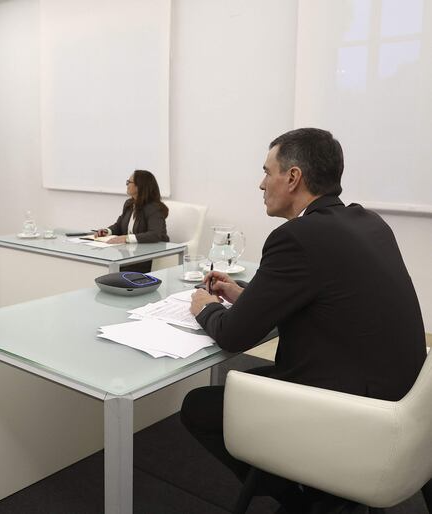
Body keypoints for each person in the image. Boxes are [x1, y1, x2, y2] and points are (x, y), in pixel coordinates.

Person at [183, 128, 427, 513]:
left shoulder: (298, 237)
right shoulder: (367, 223)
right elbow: (326, 301)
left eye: (267, 172)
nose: (261, 184)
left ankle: (305, 497)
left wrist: (203, 307)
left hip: (352, 415)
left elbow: (233, 335)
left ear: (293, 177)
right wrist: (244, 295)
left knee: (198, 406)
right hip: (406, 403)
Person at [94, 169, 169, 273]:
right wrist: (107, 231)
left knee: (109, 271)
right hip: (130, 254)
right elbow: (119, 225)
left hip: (147, 257)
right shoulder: (129, 204)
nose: (127, 185)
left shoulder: (154, 208)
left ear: (139, 186)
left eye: (129, 182)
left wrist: (126, 238)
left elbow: (155, 234)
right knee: (101, 266)